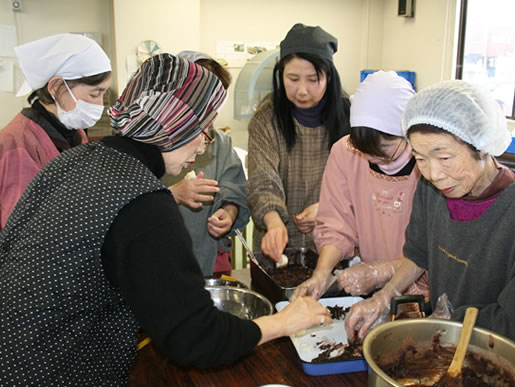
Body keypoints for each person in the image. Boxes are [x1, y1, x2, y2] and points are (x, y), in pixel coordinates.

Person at [0, 54, 331, 386]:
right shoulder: (142, 200)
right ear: (173, 124)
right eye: (202, 128)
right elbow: (196, 337)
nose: (205, 143)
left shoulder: (78, 158)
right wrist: (286, 321)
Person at [344, 80, 515, 385]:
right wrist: (384, 297)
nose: (434, 174)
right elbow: (418, 255)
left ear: (481, 145)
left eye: (445, 157)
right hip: (450, 354)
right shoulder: (432, 190)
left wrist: (442, 324)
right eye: (420, 159)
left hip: (503, 369)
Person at [292, 71, 429, 302]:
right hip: (370, 290)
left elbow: (435, 249)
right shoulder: (345, 153)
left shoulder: (430, 166)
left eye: (384, 151)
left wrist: (382, 272)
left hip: (423, 294)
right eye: (365, 152)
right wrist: (321, 273)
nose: (375, 160)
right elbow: (336, 224)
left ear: (407, 132)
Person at [247, 23, 350, 263]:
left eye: (313, 79)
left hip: (334, 244)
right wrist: (273, 223)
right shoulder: (266, 119)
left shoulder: (350, 117)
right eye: (292, 78)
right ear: (280, 74)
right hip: (278, 247)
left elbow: (361, 185)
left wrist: (327, 208)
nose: (302, 91)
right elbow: (262, 180)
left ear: (329, 77)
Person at [0, 33, 112, 230]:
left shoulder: (74, 133)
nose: (100, 104)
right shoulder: (18, 143)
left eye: (104, 94)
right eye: (94, 94)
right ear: (57, 86)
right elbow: (21, 228)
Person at [162, 50, 248, 276]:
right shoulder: (152, 141)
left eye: (215, 105)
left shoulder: (220, 143)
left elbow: (234, 191)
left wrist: (228, 214)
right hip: (160, 259)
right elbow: (130, 206)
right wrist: (174, 193)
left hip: (208, 256)